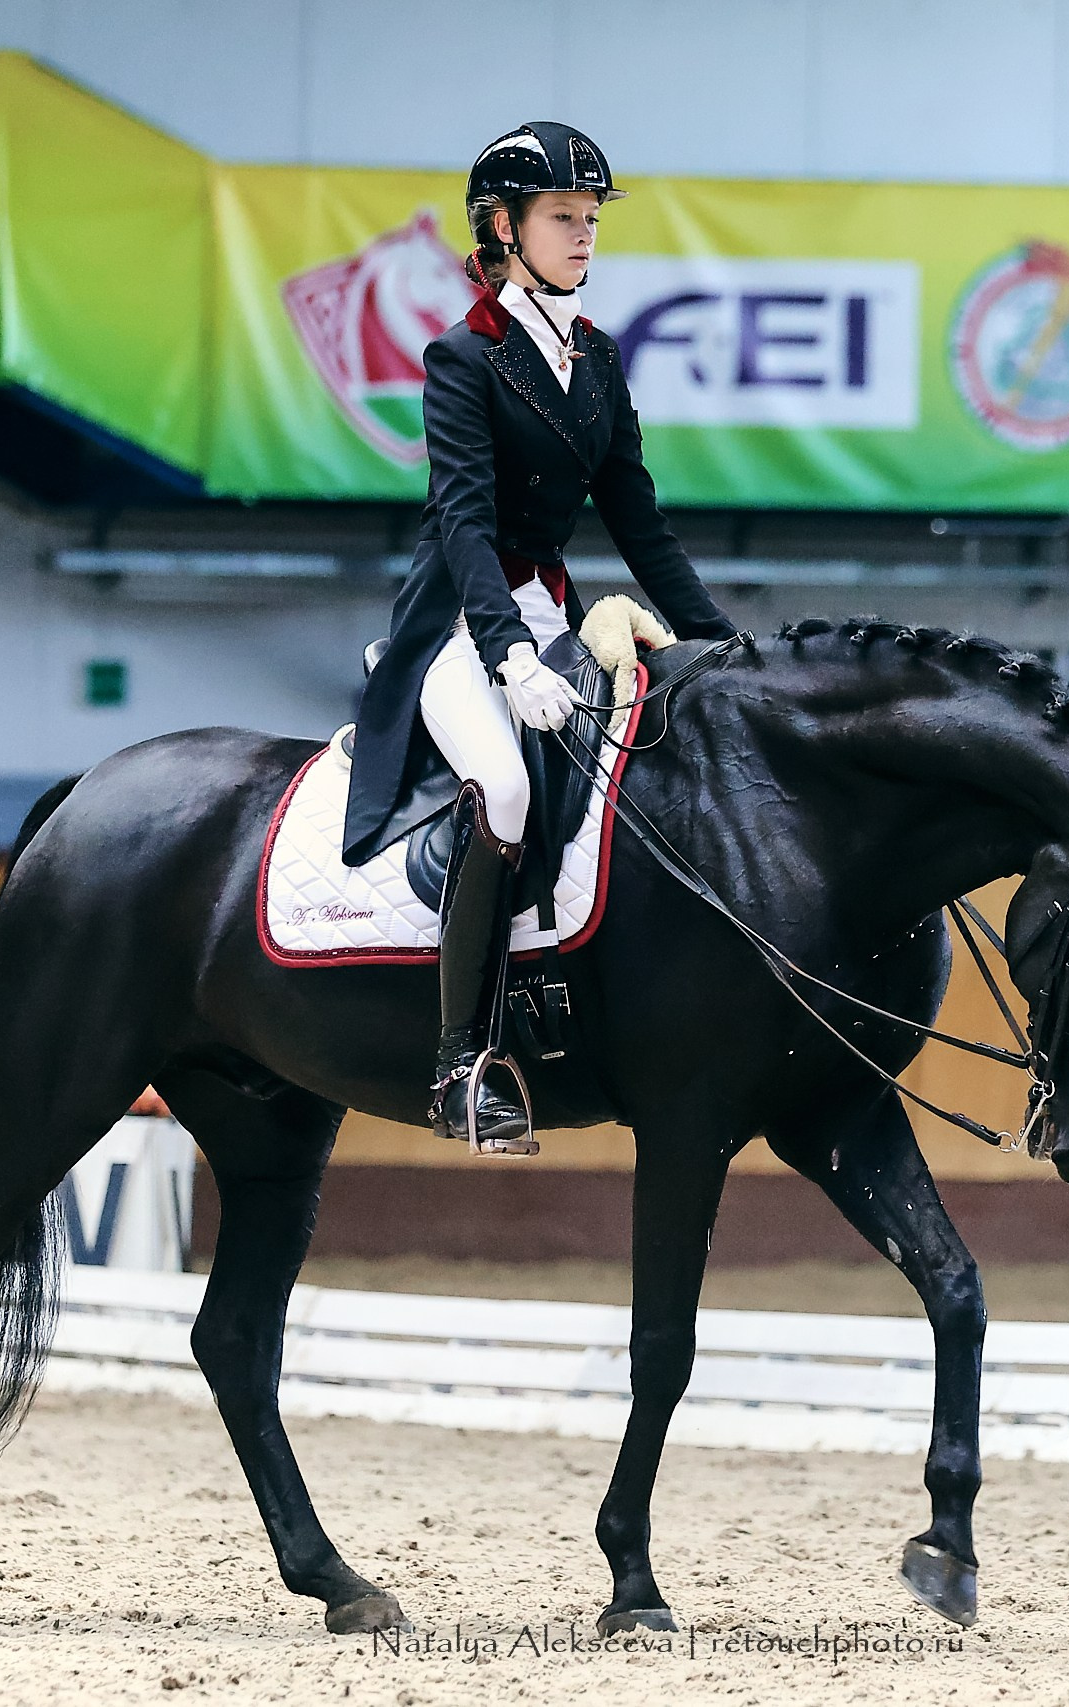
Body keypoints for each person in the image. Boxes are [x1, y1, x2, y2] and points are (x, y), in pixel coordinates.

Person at [339, 121, 736, 1156]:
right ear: (503, 228)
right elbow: (464, 524)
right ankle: (460, 1066)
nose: (583, 235)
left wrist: (720, 643)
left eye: (591, 219)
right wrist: (509, 652)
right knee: (507, 791)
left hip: (549, 615)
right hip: (456, 626)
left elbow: (637, 520)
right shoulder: (461, 357)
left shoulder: (596, 360)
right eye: (564, 217)